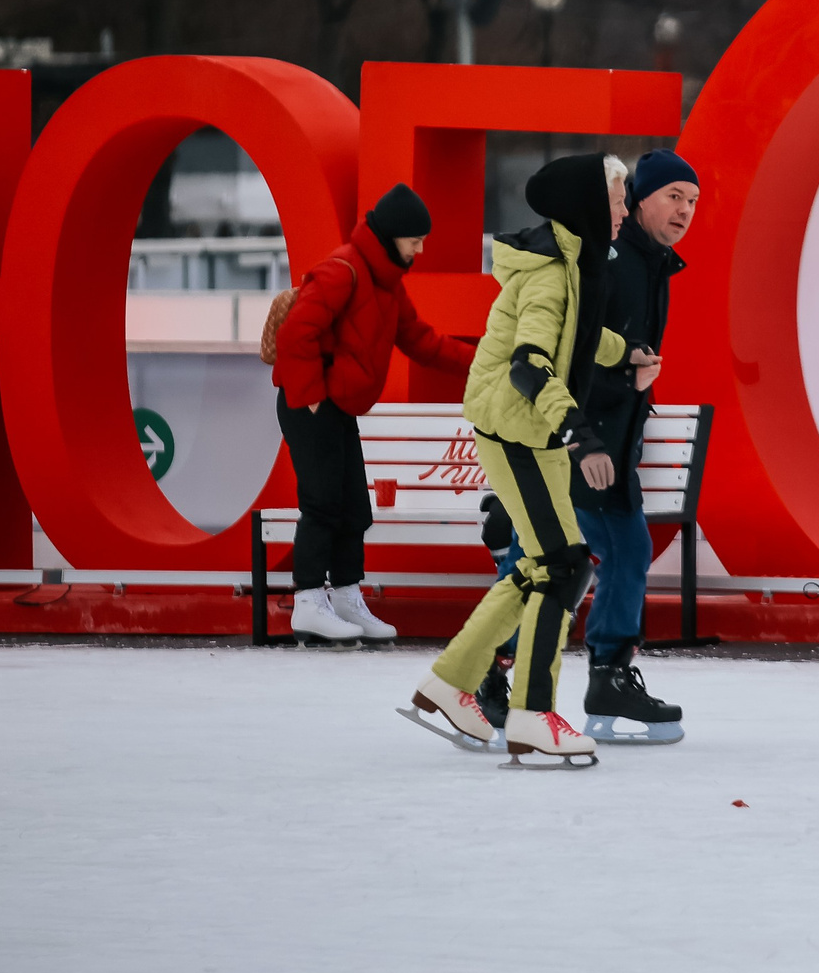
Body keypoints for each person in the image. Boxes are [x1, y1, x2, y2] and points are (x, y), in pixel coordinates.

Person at [404, 154, 631, 767]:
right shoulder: (552, 275)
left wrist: (624, 354)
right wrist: (580, 433)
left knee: (542, 565)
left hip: (529, 433)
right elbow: (531, 363)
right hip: (517, 429)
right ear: (588, 203)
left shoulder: (573, 267)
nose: (624, 211)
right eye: (615, 200)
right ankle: (532, 714)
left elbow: (577, 335)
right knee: (564, 565)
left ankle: (450, 683)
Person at [270, 183, 476, 642]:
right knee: (323, 502)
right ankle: (307, 601)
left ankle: (345, 596)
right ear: (392, 236)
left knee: (353, 507)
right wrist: (313, 396)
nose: (421, 249)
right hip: (311, 404)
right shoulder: (343, 270)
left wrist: (481, 361)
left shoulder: (387, 283)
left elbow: (421, 340)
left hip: (337, 408)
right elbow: (295, 336)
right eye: (415, 240)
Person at [567, 149, 698, 743]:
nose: (684, 210)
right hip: (576, 440)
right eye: (673, 196)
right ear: (639, 199)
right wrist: (588, 436)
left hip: (609, 442)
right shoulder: (616, 264)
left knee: (619, 550)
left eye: (692, 201)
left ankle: (608, 674)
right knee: (557, 563)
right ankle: (492, 677)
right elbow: (571, 356)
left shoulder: (650, 264)